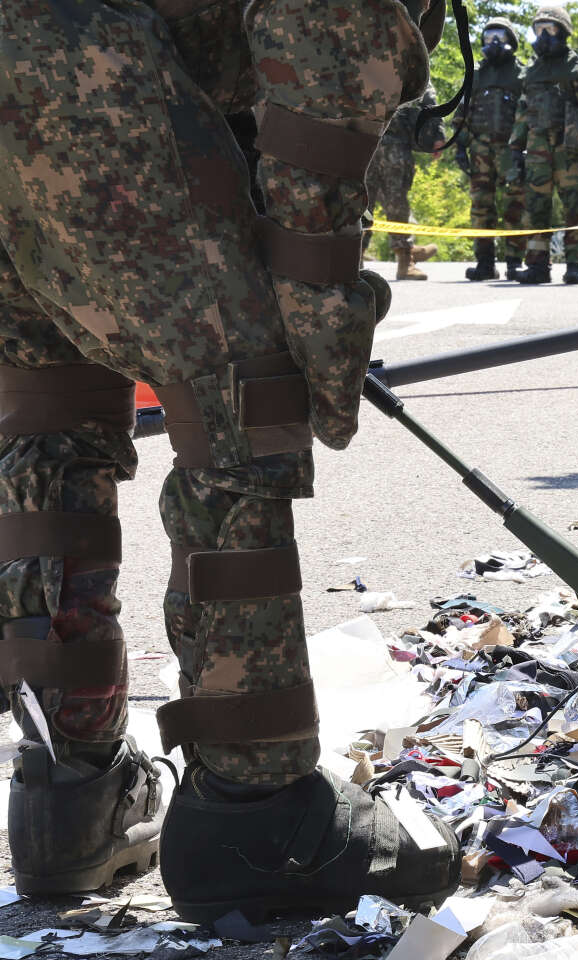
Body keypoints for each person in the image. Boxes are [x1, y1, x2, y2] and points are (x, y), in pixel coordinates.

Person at [0, 0, 459, 917]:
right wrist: (320, 325)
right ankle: (259, 815)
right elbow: (328, 40)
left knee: (48, 418)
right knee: (241, 410)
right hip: (89, 68)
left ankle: (70, 796)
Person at [507, 5, 578, 285]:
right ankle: (538, 265)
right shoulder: (532, 69)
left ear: (563, 32)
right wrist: (515, 148)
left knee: (576, 204)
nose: (542, 37)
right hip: (537, 146)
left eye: (549, 30)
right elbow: (523, 112)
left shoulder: (576, 66)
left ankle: (576, 264)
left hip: (569, 145)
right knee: (536, 205)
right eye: (538, 30)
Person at [453, 18, 528, 282]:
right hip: (480, 150)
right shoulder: (476, 74)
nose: (493, 42)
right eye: (488, 37)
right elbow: (462, 113)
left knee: (515, 206)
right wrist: (460, 146)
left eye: (499, 36)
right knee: (481, 208)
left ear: (511, 40)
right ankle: (485, 263)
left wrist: (525, 148)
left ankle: (514, 263)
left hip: (511, 150)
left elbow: (531, 112)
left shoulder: (522, 74)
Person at [366, 81, 447, 281]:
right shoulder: (409, 58)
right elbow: (429, 100)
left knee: (361, 202)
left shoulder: (362, 56)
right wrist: (438, 134)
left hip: (363, 143)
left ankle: (355, 258)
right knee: (396, 204)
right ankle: (405, 261)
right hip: (393, 145)